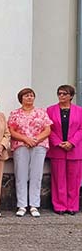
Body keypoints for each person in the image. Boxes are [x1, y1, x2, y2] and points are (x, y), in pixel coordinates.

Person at [8, 87, 52, 217]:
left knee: (36, 175)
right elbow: (12, 130)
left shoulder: (41, 112)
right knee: (21, 175)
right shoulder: (15, 113)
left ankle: (34, 205)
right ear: (21, 98)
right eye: (26, 95)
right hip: (21, 145)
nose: (29, 98)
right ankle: (22, 205)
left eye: (31, 95)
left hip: (39, 145)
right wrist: (25, 139)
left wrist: (36, 139)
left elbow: (47, 129)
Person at [46, 85, 82, 215]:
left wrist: (72, 142)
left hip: (75, 149)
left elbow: (81, 129)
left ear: (71, 96)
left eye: (64, 94)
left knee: (74, 180)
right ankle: (60, 205)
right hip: (58, 149)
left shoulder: (80, 111)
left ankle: (72, 206)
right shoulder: (50, 110)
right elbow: (48, 128)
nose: (61, 96)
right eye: (59, 93)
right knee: (58, 179)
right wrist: (58, 142)